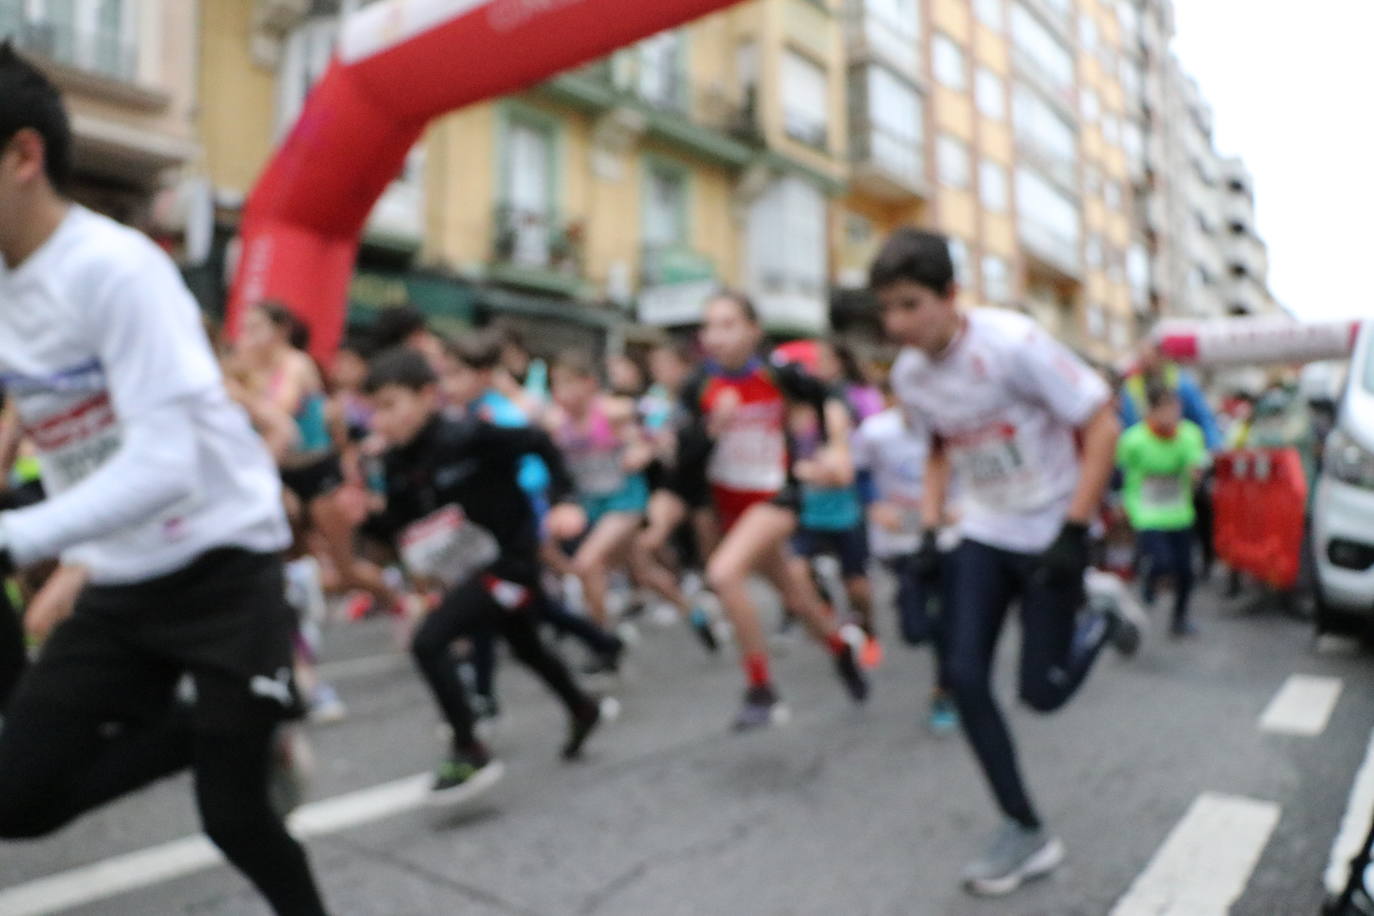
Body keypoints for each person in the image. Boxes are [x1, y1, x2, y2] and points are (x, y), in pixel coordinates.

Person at [0, 43, 326, 914]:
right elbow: (24, 405)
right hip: (120, 576)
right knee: (15, 802)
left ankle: (238, 730)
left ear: (24, 157)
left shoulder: (116, 269)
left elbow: (165, 464)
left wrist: (19, 536)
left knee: (237, 820)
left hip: (224, 568)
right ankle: (202, 729)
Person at [873, 228, 1139, 897]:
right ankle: (1025, 829)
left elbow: (1103, 422)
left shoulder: (1013, 343)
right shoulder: (909, 374)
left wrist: (1077, 530)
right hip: (985, 530)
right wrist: (932, 531)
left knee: (1041, 693)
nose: (896, 324)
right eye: (887, 309)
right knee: (963, 678)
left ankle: (1102, 617)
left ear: (950, 296)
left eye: (910, 305)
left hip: (1053, 526)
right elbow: (938, 449)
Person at [362, 348, 612, 801]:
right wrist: (360, 518)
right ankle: (582, 705)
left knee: (429, 641)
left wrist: (564, 500)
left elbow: (540, 442)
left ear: (426, 396)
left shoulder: (469, 434)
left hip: (510, 564)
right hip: (467, 569)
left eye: (391, 405)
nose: (382, 420)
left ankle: (468, 746)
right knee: (527, 646)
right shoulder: (395, 463)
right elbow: (397, 526)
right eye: (374, 409)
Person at [661, 291, 870, 729]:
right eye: (709, 326)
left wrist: (834, 447)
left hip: (776, 499)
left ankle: (761, 690)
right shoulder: (698, 385)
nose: (715, 336)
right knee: (797, 597)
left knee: (723, 574)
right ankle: (839, 648)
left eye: (728, 324)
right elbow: (682, 458)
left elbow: (831, 394)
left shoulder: (777, 373)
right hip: (729, 508)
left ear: (753, 329)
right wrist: (709, 427)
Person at [853, 391, 958, 734]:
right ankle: (910, 606)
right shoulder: (875, 432)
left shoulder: (955, 425)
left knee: (946, 620)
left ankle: (943, 692)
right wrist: (873, 506)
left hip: (948, 537)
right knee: (915, 631)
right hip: (901, 540)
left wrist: (968, 504)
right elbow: (859, 472)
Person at [1117, 385, 1209, 637]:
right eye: (1166, 409)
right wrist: (1121, 503)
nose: (1172, 415)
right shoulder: (1133, 439)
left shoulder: (1189, 435)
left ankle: (1179, 619)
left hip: (1179, 512)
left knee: (1186, 571)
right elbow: (1120, 470)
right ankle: (1150, 579)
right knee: (1161, 561)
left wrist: (1196, 473)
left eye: (1176, 409)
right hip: (1147, 512)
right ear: (1152, 412)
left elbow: (1196, 463)